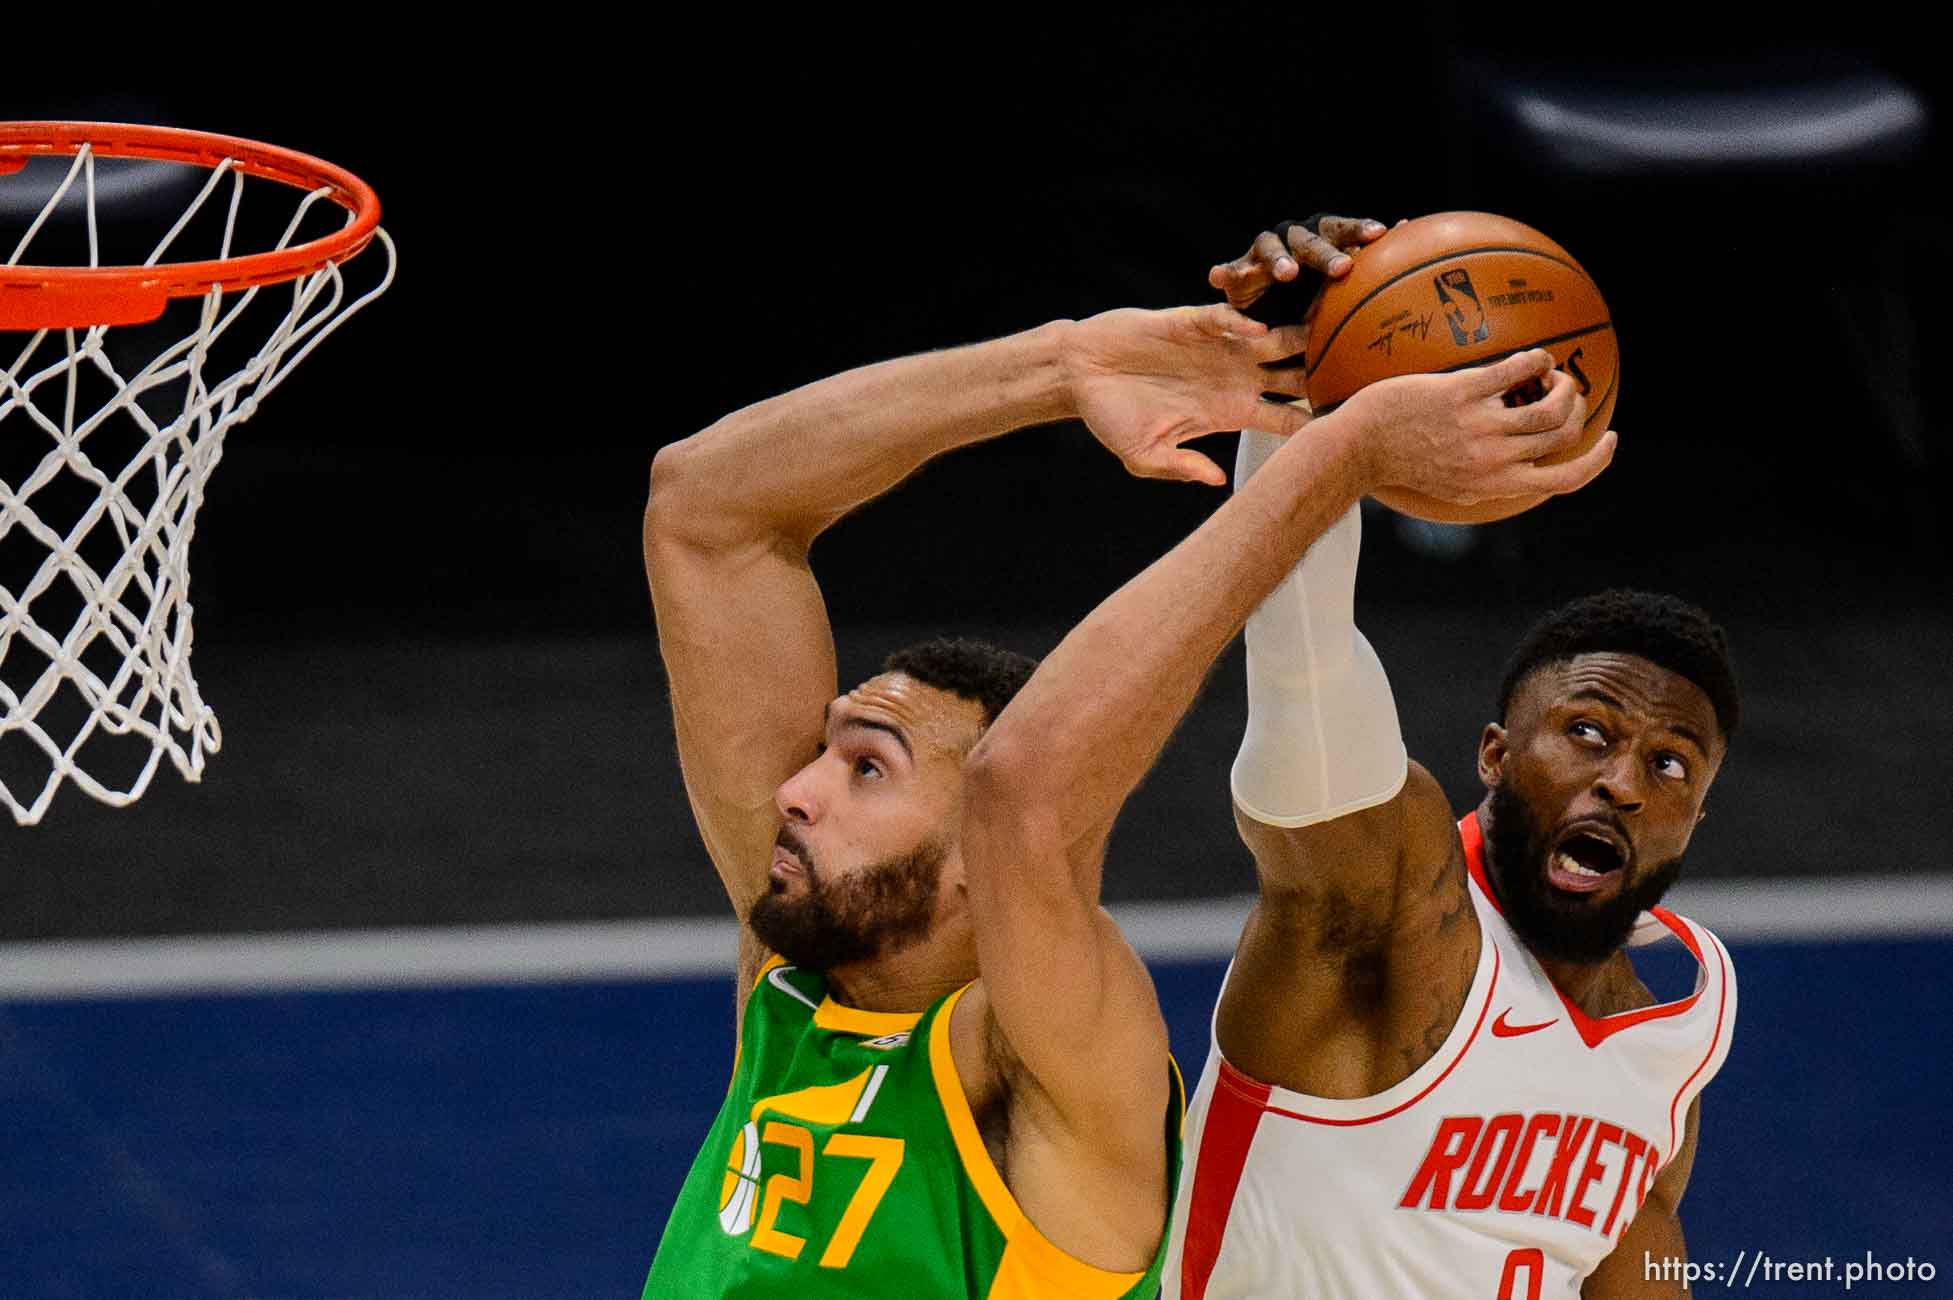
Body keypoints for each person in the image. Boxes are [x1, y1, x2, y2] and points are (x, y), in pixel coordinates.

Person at [639, 224, 1611, 1296]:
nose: (793, 790)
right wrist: (1066, 365)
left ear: (974, 863)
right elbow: (706, 507)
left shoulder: (1049, 1066)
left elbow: (1024, 791)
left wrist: (1342, 457)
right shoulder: (801, 980)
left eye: (866, 768)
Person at [1162, 226, 1742, 1299]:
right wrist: (1303, 379)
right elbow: (1300, 649)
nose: (1622, 779)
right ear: (1494, 752)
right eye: (1588, 732)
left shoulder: (1677, 1039)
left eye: (1670, 764)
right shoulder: (1384, 901)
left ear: (1698, 815)